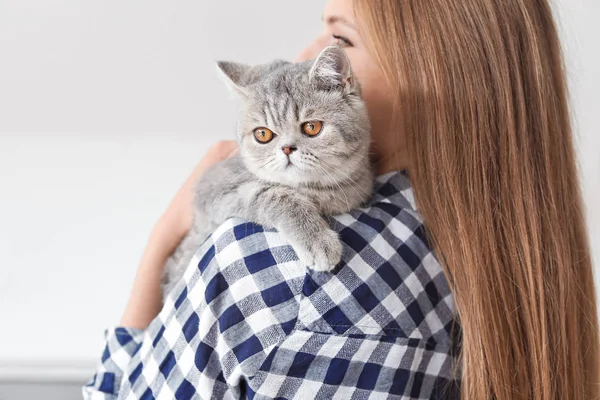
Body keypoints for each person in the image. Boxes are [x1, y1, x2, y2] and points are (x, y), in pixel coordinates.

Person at [83, 0, 600, 399]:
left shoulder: (267, 265)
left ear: (436, 70)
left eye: (339, 37)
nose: (307, 53)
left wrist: (162, 237)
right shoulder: (492, 249)